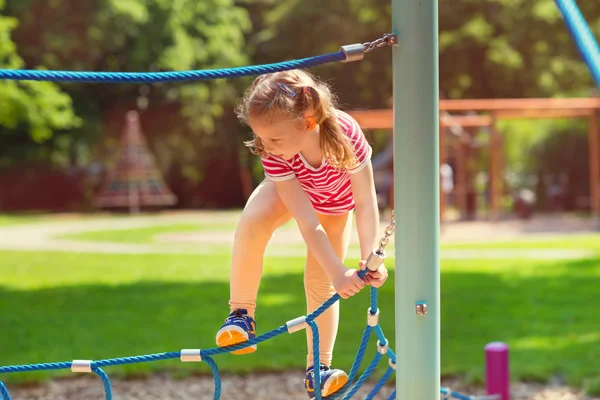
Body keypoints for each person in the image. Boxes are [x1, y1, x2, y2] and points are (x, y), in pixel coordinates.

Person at [215, 69, 388, 399]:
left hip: (337, 207)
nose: (266, 147)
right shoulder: (275, 151)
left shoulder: (345, 134)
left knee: (320, 280)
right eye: (262, 139)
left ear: (309, 121)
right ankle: (241, 314)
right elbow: (307, 222)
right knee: (252, 224)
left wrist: (369, 259)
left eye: (274, 140)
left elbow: (365, 202)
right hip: (292, 194)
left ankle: (318, 368)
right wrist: (339, 271)